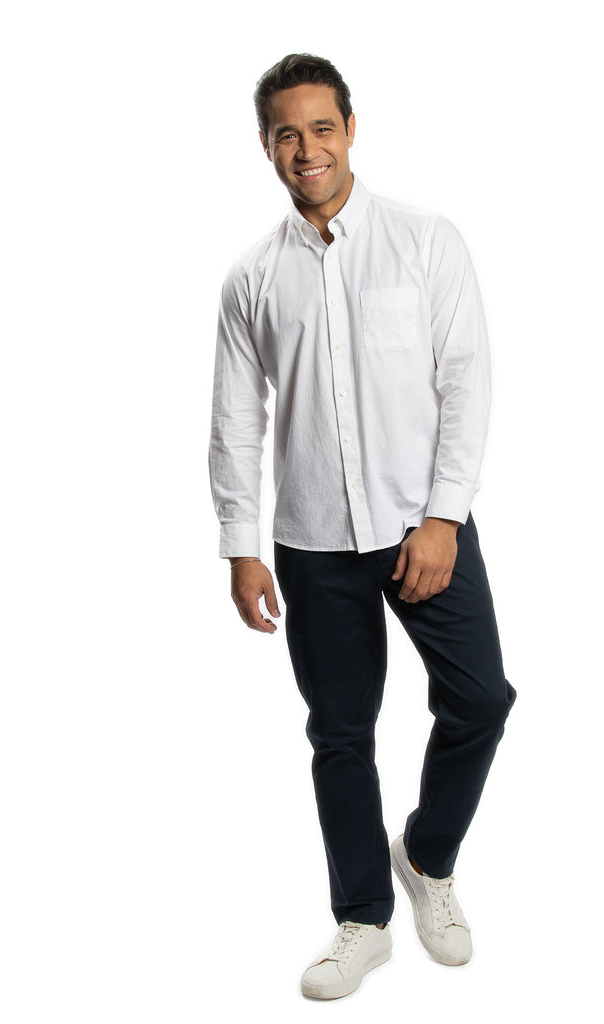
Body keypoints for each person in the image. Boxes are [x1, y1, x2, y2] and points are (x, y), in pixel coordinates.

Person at [209, 53, 517, 1000]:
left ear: (351, 128)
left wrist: (443, 516)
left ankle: (426, 857)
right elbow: (236, 418)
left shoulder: (425, 241)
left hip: (422, 526)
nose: (307, 149)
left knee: (480, 700)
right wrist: (242, 547)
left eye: (322, 127)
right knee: (340, 735)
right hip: (311, 543)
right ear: (267, 146)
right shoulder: (252, 277)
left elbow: (466, 382)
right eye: (287, 134)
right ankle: (362, 918)